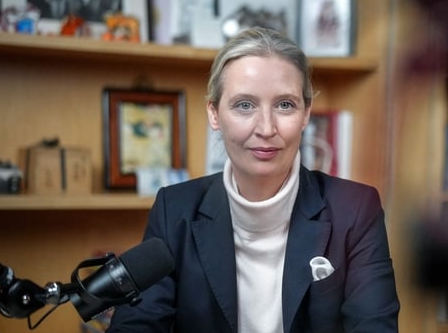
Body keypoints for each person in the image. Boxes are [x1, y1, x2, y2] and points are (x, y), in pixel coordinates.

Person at [107, 27, 400, 332]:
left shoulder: (354, 209)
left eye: (285, 105)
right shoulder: (174, 210)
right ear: (214, 114)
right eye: (244, 105)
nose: (266, 128)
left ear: (306, 114)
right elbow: (136, 325)